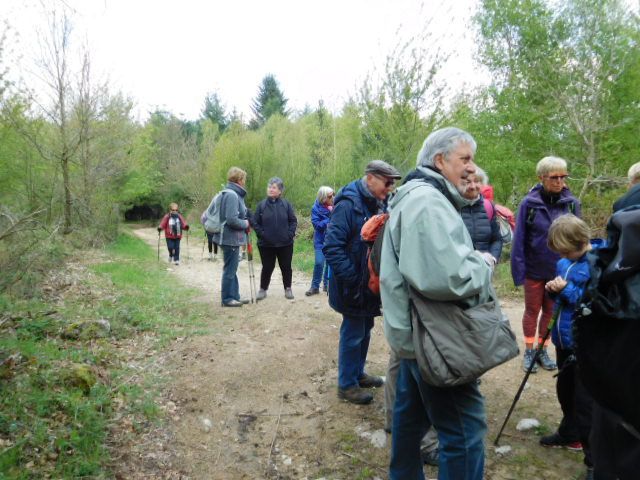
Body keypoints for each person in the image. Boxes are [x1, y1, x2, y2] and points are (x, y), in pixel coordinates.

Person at [381, 127, 493, 480]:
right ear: (440, 160)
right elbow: (446, 278)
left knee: (410, 419)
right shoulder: (428, 203)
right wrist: (482, 264)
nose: (472, 168)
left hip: (417, 334)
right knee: (464, 431)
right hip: (435, 338)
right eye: (465, 159)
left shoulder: (418, 197)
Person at [323, 160, 401, 405]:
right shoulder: (348, 204)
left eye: (392, 184)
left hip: (368, 285)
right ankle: (346, 385)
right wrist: (355, 280)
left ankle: (357, 374)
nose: (389, 188)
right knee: (353, 331)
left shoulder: (377, 202)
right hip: (353, 286)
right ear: (370, 178)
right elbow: (332, 248)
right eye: (386, 182)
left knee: (365, 329)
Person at [511, 156, 580, 373]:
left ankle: (543, 348)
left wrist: (576, 268)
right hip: (533, 268)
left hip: (559, 269)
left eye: (563, 176)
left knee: (551, 311)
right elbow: (519, 238)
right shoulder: (528, 204)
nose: (559, 181)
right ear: (541, 178)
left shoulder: (572, 204)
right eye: (554, 177)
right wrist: (518, 271)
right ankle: (530, 350)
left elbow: (578, 239)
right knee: (532, 310)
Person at [544, 214, 596, 480]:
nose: (561, 255)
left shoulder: (596, 264)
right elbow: (561, 297)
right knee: (564, 390)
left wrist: (564, 290)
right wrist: (553, 289)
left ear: (578, 241)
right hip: (563, 338)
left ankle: (593, 460)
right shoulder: (565, 261)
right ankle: (569, 434)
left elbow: (588, 303)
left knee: (585, 401)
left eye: (564, 249)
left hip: (583, 341)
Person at [252, 177, 298, 300]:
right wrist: (262, 234)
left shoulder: (286, 205)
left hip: (285, 243)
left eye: (274, 187)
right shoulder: (261, 205)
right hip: (266, 244)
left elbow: (293, 221)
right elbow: (255, 222)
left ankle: (288, 288)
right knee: (267, 267)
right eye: (269, 187)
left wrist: (290, 234)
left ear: (280, 191)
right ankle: (263, 289)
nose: (271, 189)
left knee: (286, 266)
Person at [213, 167, 251, 307]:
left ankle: (234, 296)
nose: (244, 182)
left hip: (229, 237)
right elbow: (232, 220)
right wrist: (246, 222)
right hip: (230, 238)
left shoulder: (229, 193)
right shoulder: (232, 195)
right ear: (239, 180)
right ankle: (227, 299)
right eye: (244, 179)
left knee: (232, 268)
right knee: (230, 269)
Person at [461, 167, 503, 268]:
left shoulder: (488, 206)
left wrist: (492, 258)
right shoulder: (452, 206)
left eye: (477, 181)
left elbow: (497, 239)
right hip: (459, 271)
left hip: (484, 270)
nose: (473, 186)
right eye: (468, 182)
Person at [306, 186, 334, 296]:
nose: (333, 198)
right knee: (319, 262)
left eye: (333, 195)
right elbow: (317, 225)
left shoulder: (335, 205)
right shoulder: (315, 208)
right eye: (330, 196)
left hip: (332, 239)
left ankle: (327, 285)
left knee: (330, 263)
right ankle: (314, 287)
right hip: (320, 240)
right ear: (323, 198)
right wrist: (329, 219)